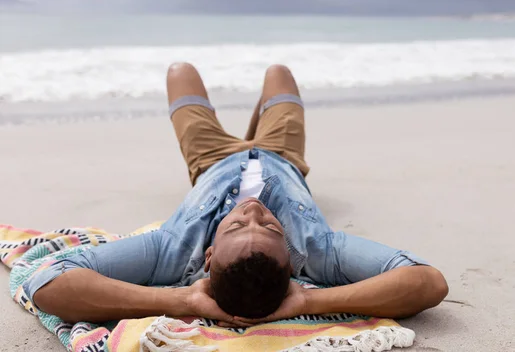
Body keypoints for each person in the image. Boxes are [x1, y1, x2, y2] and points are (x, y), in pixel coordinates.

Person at [25, 63, 448, 326]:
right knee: (278, 73)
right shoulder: (316, 249)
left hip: (211, 158)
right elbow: (427, 282)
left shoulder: (170, 250)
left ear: (209, 258)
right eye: (269, 226)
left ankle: (248, 135)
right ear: (291, 256)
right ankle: (260, 130)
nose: (253, 210)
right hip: (282, 155)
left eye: (239, 225)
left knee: (179, 71)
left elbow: (46, 281)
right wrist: (309, 300)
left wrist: (181, 299)